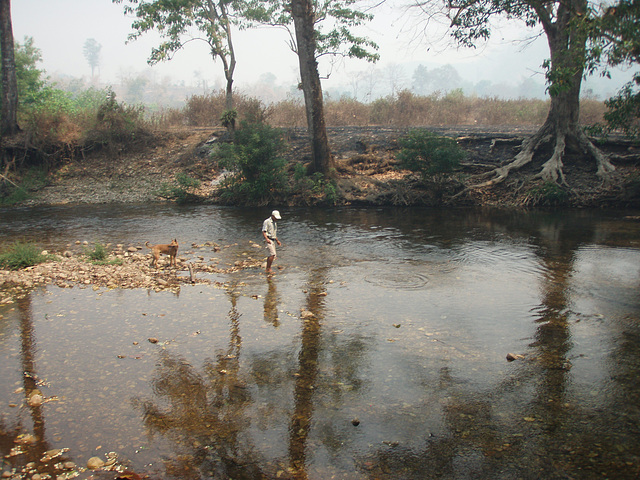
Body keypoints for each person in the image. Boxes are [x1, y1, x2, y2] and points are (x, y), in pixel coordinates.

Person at [262, 210, 282, 274]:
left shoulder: (274, 223)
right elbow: (264, 231)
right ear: (272, 216)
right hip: (268, 240)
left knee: (273, 255)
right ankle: (268, 269)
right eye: (275, 217)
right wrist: (267, 239)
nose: (276, 219)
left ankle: (268, 268)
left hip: (273, 239)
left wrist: (277, 241)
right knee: (272, 254)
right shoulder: (267, 221)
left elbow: (274, 233)